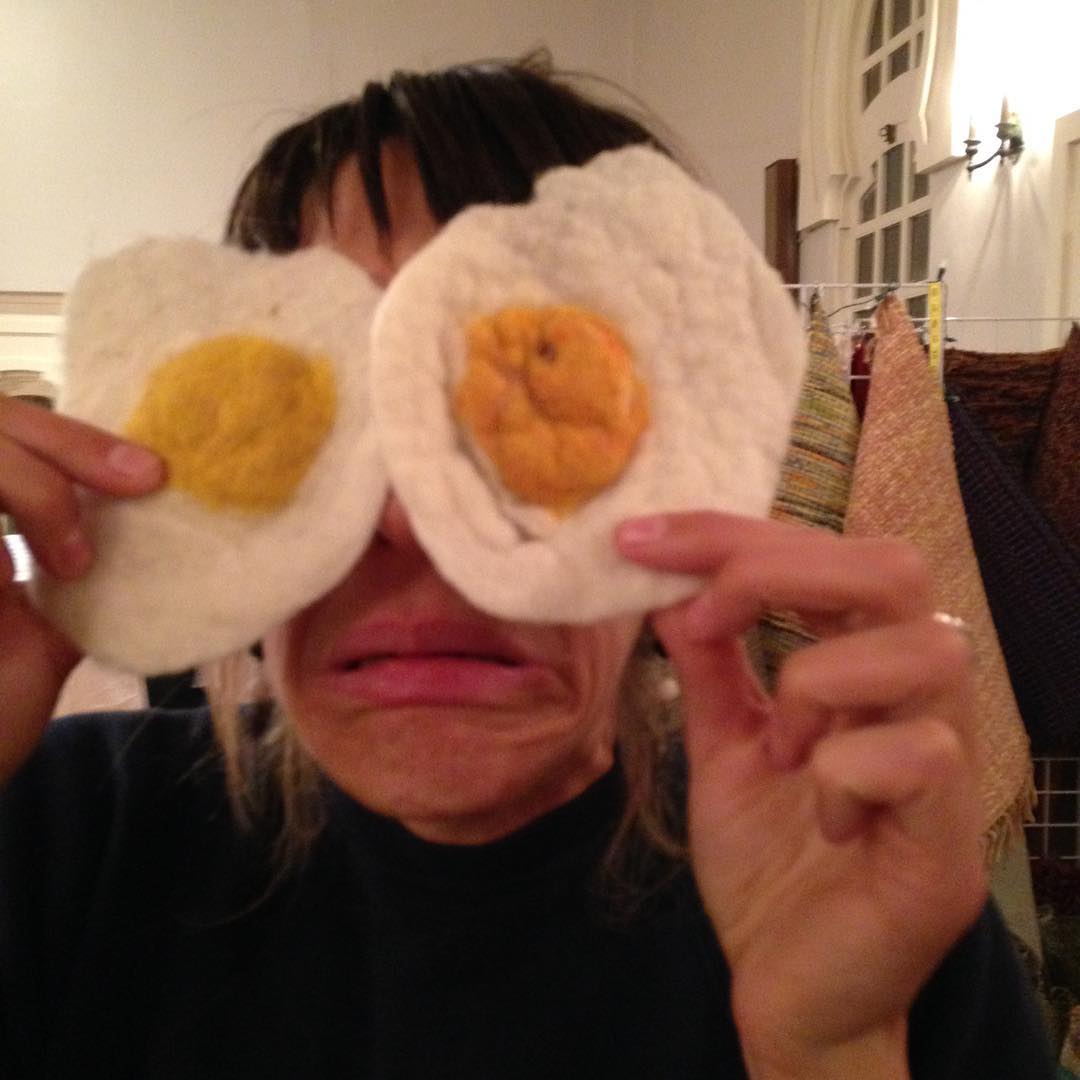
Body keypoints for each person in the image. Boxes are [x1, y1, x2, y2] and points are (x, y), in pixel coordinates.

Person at [0, 54, 1055, 1079]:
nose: (411, 524)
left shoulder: (859, 877)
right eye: (316, 410)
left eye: (529, 397)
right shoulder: (58, 834)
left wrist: (833, 1056)